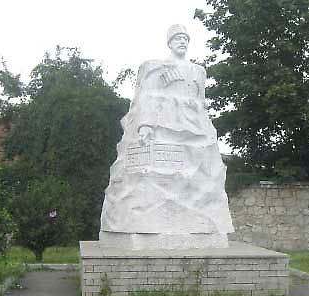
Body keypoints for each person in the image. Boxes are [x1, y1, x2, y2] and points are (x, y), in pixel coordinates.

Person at [99, 24, 233, 249]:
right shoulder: (156, 67)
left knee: (202, 176)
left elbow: (200, 100)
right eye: (178, 38)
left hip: (196, 128)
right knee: (152, 178)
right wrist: (145, 125)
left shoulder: (198, 71)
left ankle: (203, 223)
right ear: (169, 42)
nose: (182, 42)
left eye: (185, 39)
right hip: (165, 123)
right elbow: (146, 97)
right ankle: (143, 224)